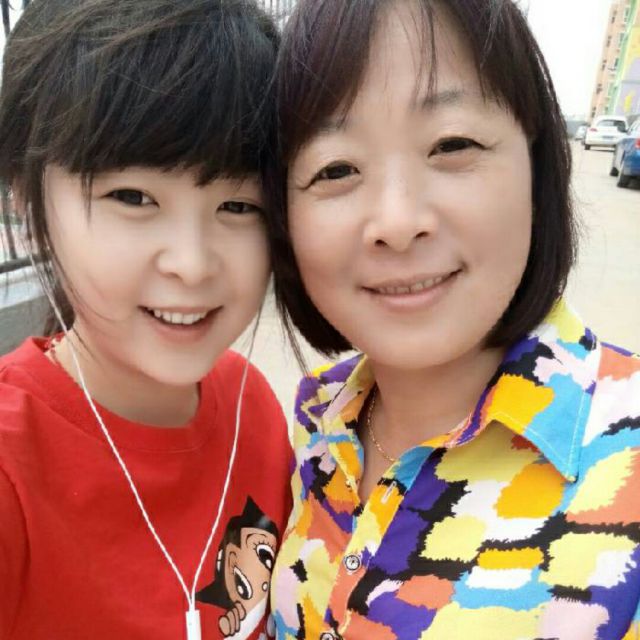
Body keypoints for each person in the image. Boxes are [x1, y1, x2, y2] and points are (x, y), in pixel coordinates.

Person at [267, 0, 640, 638]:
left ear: (537, 166)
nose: (397, 222)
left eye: (452, 144)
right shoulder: (317, 419)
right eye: (336, 169)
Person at [0, 1, 292, 638]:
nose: (192, 263)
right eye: (132, 197)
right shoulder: (12, 464)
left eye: (239, 206)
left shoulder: (254, 406)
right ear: (26, 198)